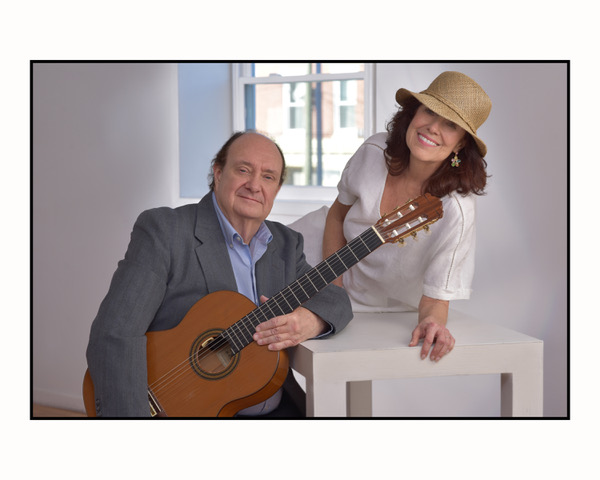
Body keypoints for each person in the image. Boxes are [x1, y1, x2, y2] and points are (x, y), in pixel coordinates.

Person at [85, 131, 353, 417]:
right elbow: (116, 333)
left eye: (268, 177)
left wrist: (310, 321)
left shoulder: (286, 244)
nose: (254, 185)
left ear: (276, 189)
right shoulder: (165, 231)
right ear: (218, 173)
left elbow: (335, 300)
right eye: (243, 170)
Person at [293, 71, 491, 363]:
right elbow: (336, 216)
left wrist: (432, 324)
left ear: (461, 144)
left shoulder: (456, 210)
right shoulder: (375, 150)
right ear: (414, 112)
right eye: (429, 111)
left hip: (376, 308)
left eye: (450, 124)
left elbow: (436, 298)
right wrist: (332, 291)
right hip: (316, 255)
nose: (433, 127)